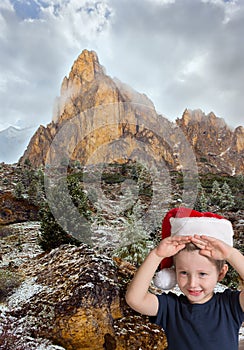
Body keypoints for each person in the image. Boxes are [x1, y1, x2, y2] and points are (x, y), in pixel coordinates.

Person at [125, 207, 244, 350]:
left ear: (221, 273)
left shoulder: (230, 306)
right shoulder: (170, 307)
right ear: (173, 272)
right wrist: (157, 255)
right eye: (184, 273)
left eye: (202, 274)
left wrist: (231, 254)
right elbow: (135, 299)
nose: (192, 283)